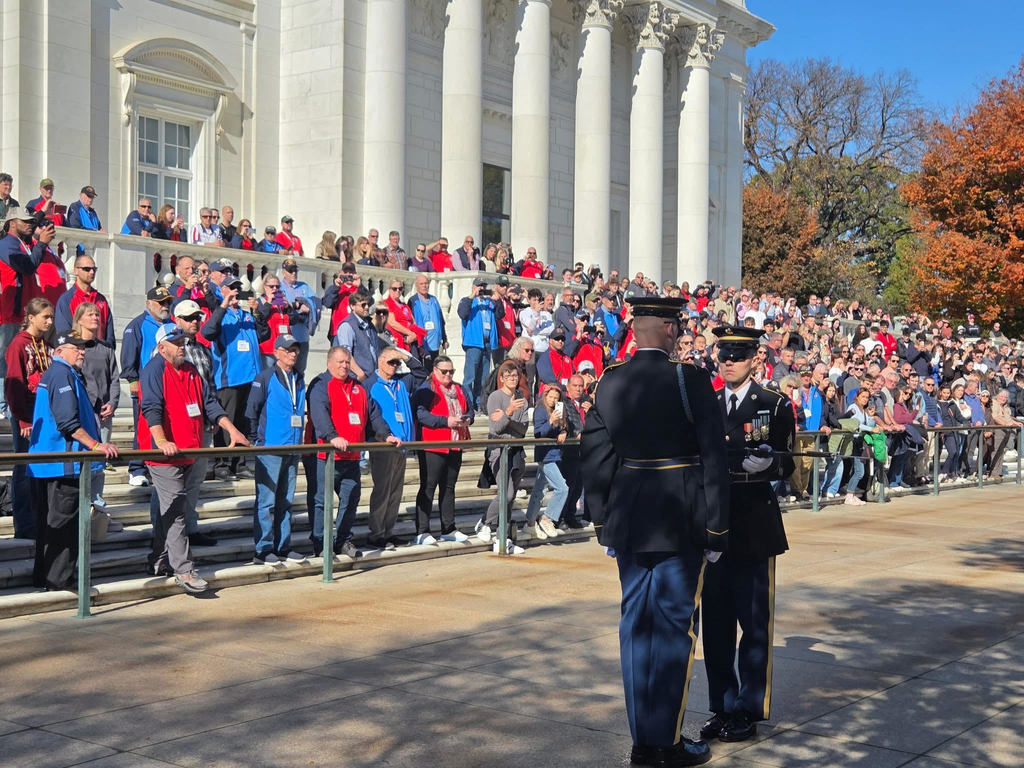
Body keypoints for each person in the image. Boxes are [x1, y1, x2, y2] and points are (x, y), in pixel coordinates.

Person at [580, 296, 729, 768]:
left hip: (629, 519)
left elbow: (597, 454)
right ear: (667, 329)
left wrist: (604, 521)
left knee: (635, 628)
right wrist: (717, 527)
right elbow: (713, 457)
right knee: (672, 630)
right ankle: (664, 742)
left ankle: (643, 739)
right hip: (680, 518)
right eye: (677, 326)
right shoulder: (690, 380)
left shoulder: (610, 379)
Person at [700, 325, 794, 745]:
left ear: (755, 358)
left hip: (754, 522)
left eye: (737, 355)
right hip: (715, 524)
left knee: (753, 624)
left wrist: (770, 467)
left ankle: (748, 709)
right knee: (715, 626)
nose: (728, 361)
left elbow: (787, 461)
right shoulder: (707, 404)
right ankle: (721, 705)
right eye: (723, 354)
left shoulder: (774, 405)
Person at [138, 324, 249, 593]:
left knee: (172, 509)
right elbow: (150, 407)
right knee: (176, 511)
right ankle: (184, 570)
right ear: (162, 347)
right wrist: (161, 441)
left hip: (190, 450)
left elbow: (209, 403)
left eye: (183, 341)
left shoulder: (190, 370)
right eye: (176, 342)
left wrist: (231, 429)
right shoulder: (154, 370)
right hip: (163, 454)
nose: (182, 346)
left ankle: (159, 559)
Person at [27, 333, 117, 590]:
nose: (82, 352)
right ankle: (59, 580)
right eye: (75, 348)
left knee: (52, 525)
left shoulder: (61, 374)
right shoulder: (62, 374)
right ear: (59, 351)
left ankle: (45, 577)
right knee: (64, 525)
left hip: (52, 463)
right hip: (63, 463)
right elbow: (68, 423)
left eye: (83, 347)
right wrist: (97, 446)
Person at [307, 346, 396, 558]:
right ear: (329, 363)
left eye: (347, 362)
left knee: (351, 500)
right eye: (340, 362)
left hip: (352, 456)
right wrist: (331, 435)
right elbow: (319, 414)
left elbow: (374, 415)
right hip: (326, 458)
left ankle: (343, 540)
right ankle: (321, 543)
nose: (344, 366)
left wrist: (386, 435)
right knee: (321, 502)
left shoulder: (359, 388)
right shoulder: (321, 385)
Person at [245, 335, 309, 565]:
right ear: (276, 352)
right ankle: (263, 548)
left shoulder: (299, 379)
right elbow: (252, 410)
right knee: (266, 501)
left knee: (286, 500)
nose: (293, 354)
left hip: (292, 447)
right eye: (288, 350)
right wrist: (256, 440)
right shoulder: (265, 377)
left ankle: (283, 546)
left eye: (295, 350)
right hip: (270, 448)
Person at [201, 278, 265, 482]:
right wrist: (223, 305)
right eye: (231, 288)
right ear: (222, 291)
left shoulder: (247, 315)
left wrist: (256, 313)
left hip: (251, 378)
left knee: (245, 422)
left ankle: (240, 462)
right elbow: (208, 332)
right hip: (230, 379)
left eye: (238, 288)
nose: (236, 292)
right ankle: (222, 463)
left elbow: (264, 334)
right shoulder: (220, 315)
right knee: (226, 422)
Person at [5, 298, 54, 539]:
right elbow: (13, 385)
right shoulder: (18, 344)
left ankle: (39, 518)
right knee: (24, 466)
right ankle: (24, 523)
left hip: (44, 412)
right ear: (31, 317)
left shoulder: (45, 344)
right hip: (26, 411)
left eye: (51, 317)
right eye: (45, 316)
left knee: (40, 465)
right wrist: (23, 419)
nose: (49, 321)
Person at [411, 355, 473, 545]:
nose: (448, 375)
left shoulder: (460, 388)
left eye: (451, 371)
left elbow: (470, 409)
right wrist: (445, 422)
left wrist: (468, 419)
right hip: (433, 443)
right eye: (444, 371)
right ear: (435, 371)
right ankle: (422, 530)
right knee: (428, 486)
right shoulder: (426, 387)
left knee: (449, 487)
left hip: (455, 443)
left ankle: (448, 528)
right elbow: (421, 414)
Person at [121, 286, 175, 486]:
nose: (165, 306)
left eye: (168, 302)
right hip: (146, 386)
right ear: (148, 303)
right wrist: (132, 380)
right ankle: (136, 468)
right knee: (142, 428)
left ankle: (157, 465)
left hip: (169, 385)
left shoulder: (172, 325)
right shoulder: (137, 325)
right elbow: (128, 354)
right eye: (161, 303)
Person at [476, 361, 529, 555]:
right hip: (499, 451)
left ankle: (502, 537)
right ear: (501, 378)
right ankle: (484, 522)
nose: (513, 379)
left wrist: (507, 419)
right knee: (505, 494)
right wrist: (509, 412)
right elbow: (496, 429)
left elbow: (522, 430)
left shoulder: (522, 398)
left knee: (511, 497)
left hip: (516, 451)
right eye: (509, 376)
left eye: (515, 376)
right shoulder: (495, 397)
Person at [73, 302, 120, 518]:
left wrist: (113, 402)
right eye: (90, 314)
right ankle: (80, 506)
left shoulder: (106, 348)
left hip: (103, 415)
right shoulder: (73, 347)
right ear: (79, 318)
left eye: (97, 314)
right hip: (82, 415)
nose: (95, 317)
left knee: (100, 464)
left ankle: (97, 506)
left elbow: (115, 379)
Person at [363, 347, 413, 549]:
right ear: (380, 361)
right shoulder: (370, 384)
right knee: (382, 490)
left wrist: (403, 356)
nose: (394, 366)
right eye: (391, 362)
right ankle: (377, 533)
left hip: (402, 445)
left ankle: (388, 530)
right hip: (382, 444)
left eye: (396, 363)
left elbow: (419, 371)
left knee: (396, 490)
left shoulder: (400, 383)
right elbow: (369, 414)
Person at [524, 384, 570, 540]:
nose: (553, 400)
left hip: (555, 454)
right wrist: (551, 421)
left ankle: (530, 523)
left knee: (539, 490)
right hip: (546, 455)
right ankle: (547, 518)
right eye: (551, 397)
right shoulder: (540, 410)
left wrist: (564, 430)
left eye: (556, 398)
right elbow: (539, 433)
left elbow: (566, 426)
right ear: (545, 396)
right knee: (562, 488)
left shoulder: (559, 409)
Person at [54, 254, 115, 347]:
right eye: (87, 269)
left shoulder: (101, 300)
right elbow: (65, 333)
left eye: (94, 269)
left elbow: (109, 335)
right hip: (78, 353)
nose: (91, 272)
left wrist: (107, 350)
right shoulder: (66, 300)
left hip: (101, 354)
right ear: (76, 270)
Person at [458, 277, 498, 409]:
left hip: (487, 344)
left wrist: (496, 298)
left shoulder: (489, 303)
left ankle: (479, 404)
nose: (482, 289)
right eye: (479, 286)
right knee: (470, 376)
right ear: (474, 287)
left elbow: (500, 315)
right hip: (474, 343)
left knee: (484, 378)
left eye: (483, 286)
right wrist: (472, 296)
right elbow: (462, 313)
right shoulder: (467, 301)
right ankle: (468, 405)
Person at [407, 273, 446, 370]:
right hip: (423, 345)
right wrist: (419, 345)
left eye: (426, 283)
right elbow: (412, 324)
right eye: (421, 284)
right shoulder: (413, 301)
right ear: (416, 286)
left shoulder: (434, 299)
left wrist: (444, 339)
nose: (424, 286)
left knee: (436, 370)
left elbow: (441, 320)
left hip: (436, 343)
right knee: (425, 372)